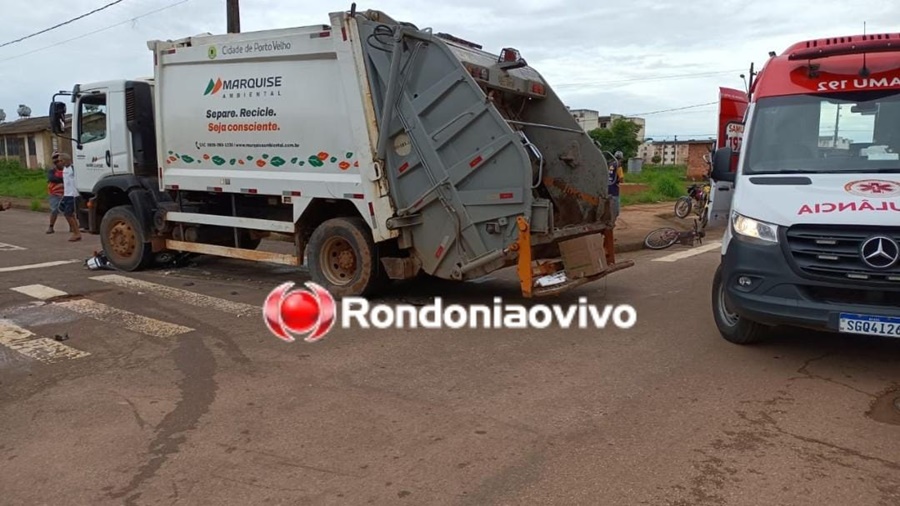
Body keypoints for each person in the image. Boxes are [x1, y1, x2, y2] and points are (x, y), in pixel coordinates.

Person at [58, 153, 81, 242]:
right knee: (68, 213)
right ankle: (76, 231)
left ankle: (77, 232)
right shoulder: (64, 169)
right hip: (67, 194)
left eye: (61, 160)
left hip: (73, 195)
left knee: (68, 214)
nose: (60, 162)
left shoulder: (73, 168)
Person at [46, 153, 65, 233]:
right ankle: (51, 226)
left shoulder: (67, 169)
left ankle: (72, 227)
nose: (60, 163)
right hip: (54, 193)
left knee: (69, 211)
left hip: (65, 193)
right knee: (54, 210)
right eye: (57, 161)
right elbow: (52, 179)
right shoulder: (52, 171)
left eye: (60, 161)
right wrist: (63, 180)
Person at [608, 151, 625, 225]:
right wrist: (621, 180)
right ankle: (611, 224)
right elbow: (621, 179)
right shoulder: (618, 165)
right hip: (614, 190)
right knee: (616, 211)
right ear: (621, 158)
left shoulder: (610, 164)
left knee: (609, 207)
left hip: (608, 189)